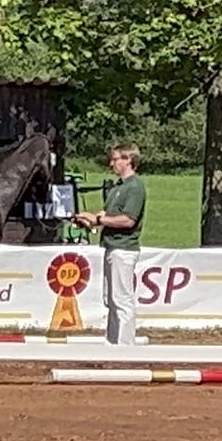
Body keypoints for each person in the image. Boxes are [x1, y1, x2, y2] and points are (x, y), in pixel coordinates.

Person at [74, 143, 146, 345]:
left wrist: (99, 220)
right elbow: (106, 216)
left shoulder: (135, 188)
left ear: (128, 160)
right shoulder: (118, 187)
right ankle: (113, 343)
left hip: (124, 248)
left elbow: (128, 220)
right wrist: (89, 220)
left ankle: (125, 346)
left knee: (122, 300)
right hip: (111, 247)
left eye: (115, 159)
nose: (111, 163)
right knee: (111, 299)